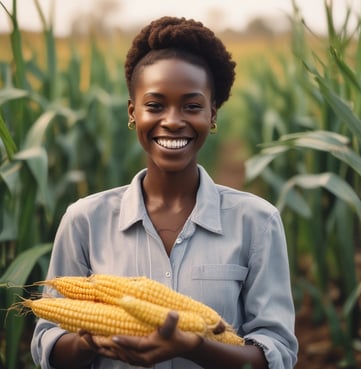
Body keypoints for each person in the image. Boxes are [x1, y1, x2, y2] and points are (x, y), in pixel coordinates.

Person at [31, 16, 298, 369]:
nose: (172, 120)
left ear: (212, 115)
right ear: (133, 113)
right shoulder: (84, 221)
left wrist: (193, 347)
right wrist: (87, 341)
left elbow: (276, 352)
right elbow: (48, 343)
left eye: (191, 106)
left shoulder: (258, 222)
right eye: (155, 105)